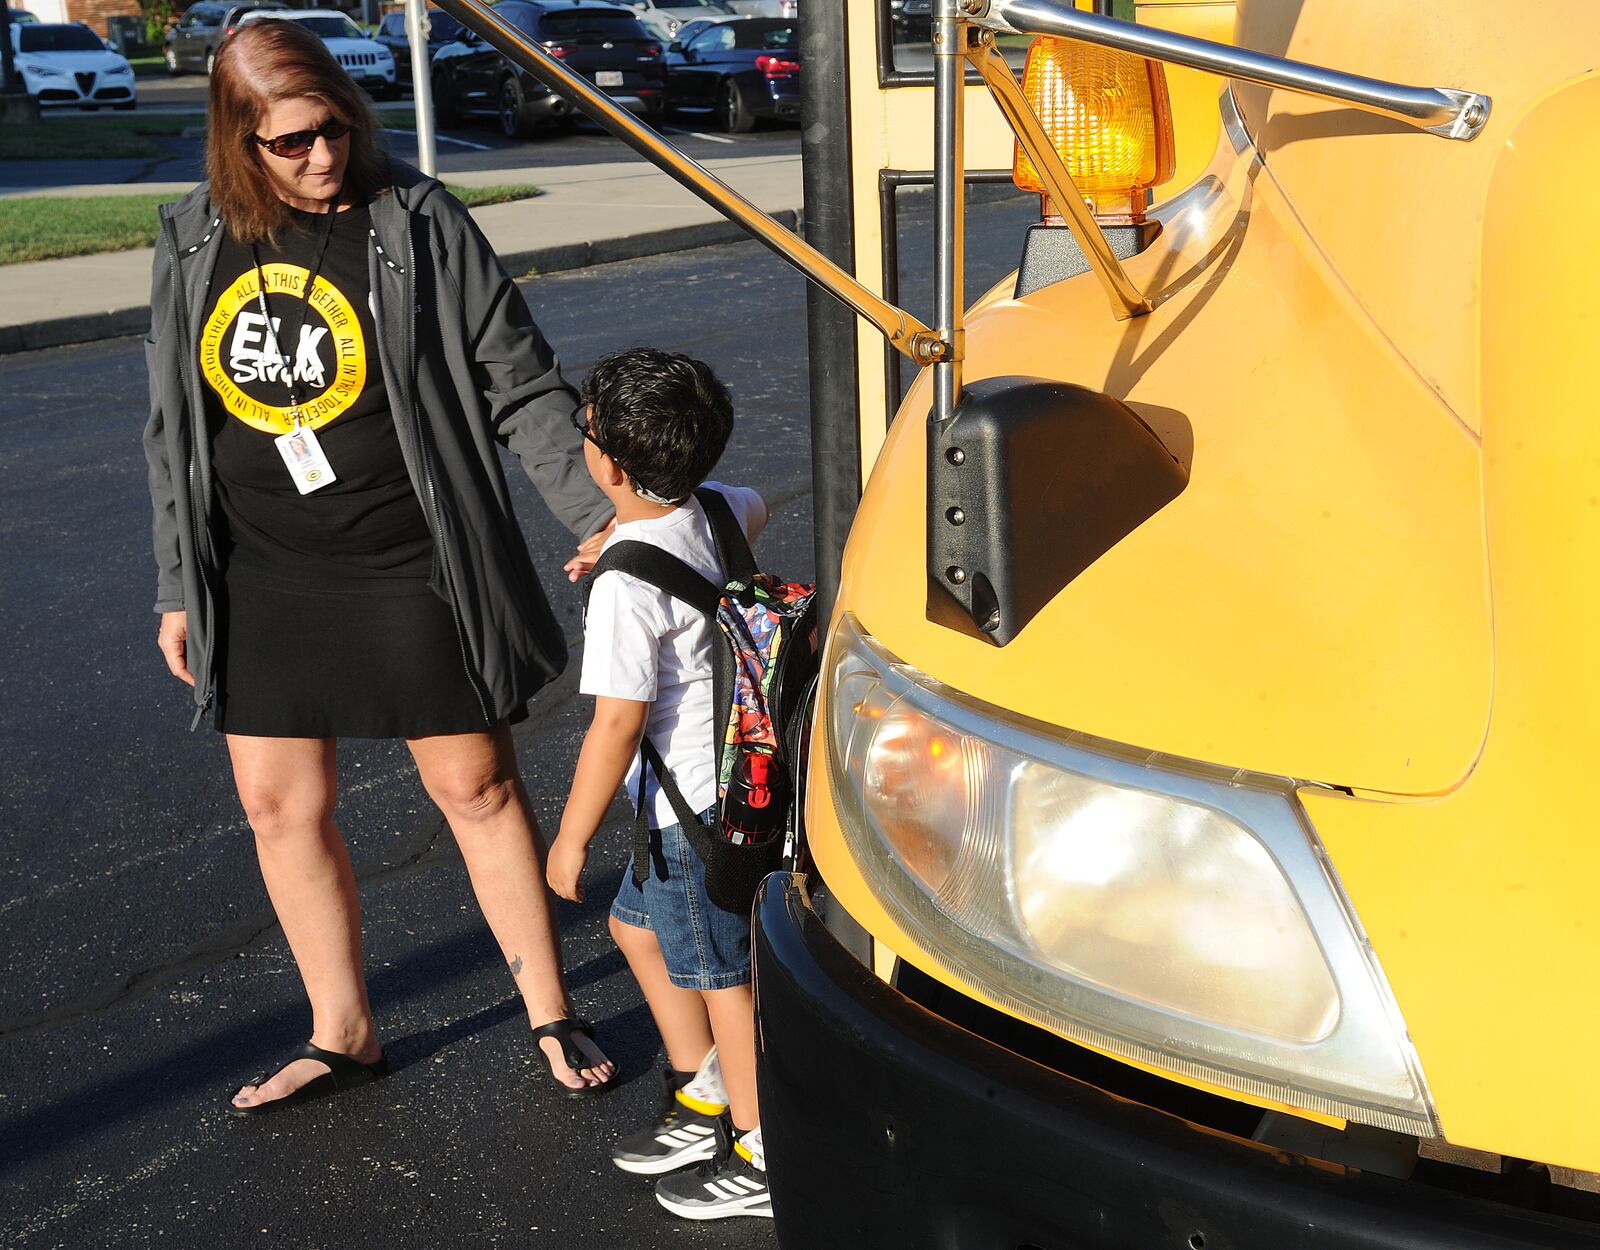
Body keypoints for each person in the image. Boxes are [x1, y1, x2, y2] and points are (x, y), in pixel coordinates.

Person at [142, 19, 619, 1114]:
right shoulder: (189, 237)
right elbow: (171, 428)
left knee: (476, 783)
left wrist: (604, 517)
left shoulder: (415, 221)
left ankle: (551, 1005)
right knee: (277, 805)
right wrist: (178, 579)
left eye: (335, 133)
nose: (323, 160)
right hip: (258, 561)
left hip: (411, 549)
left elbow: (519, 380)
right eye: (292, 145)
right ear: (236, 144)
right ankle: (342, 1031)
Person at [546, 348, 771, 1220]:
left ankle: (761, 1154)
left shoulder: (622, 591)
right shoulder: (719, 506)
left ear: (607, 462)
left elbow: (617, 723)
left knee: (724, 980)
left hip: (688, 811)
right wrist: (621, 534)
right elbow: (749, 509)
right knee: (634, 926)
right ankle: (709, 1085)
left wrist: (571, 838)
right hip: (737, 779)